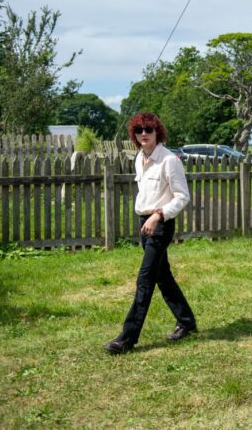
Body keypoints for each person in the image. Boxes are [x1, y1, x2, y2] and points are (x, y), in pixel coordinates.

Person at [104, 113, 197, 354]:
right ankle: (186, 321)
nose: (143, 134)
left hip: (161, 224)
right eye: (138, 130)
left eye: (148, 129)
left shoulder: (169, 160)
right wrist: (147, 218)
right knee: (162, 277)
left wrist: (158, 215)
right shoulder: (139, 158)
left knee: (145, 280)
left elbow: (182, 196)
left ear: (158, 132)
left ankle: (127, 338)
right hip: (145, 223)